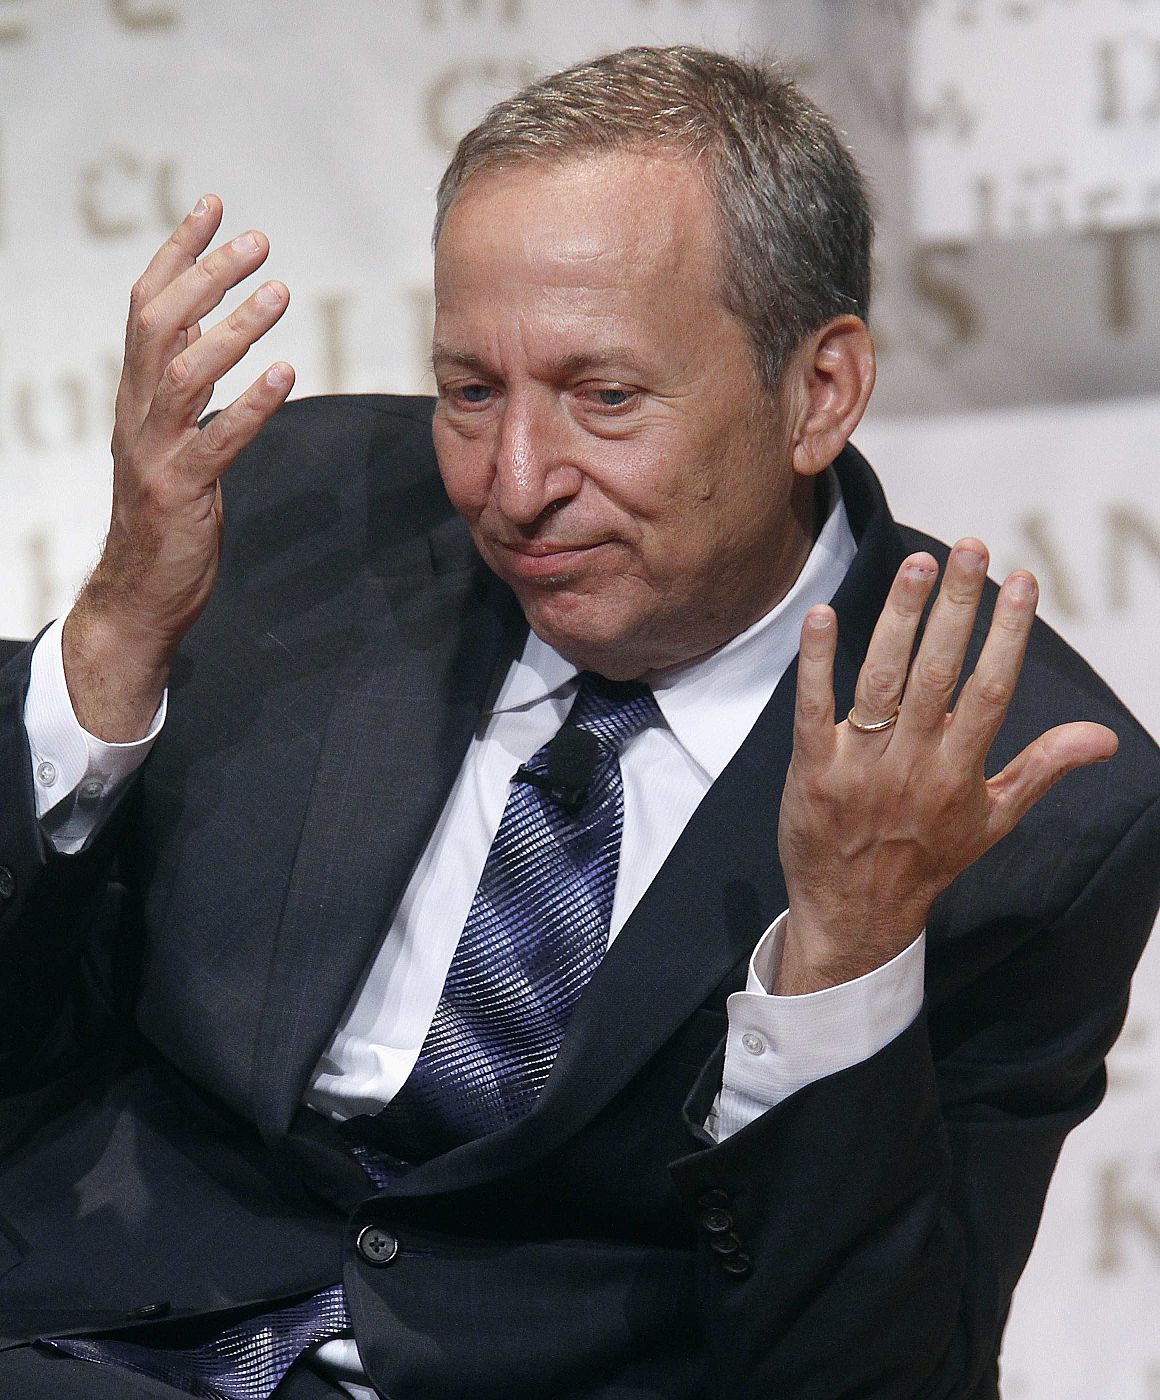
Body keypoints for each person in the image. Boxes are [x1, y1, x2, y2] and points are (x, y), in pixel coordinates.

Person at [1, 44, 1157, 1400]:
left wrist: (848, 958)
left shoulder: (1029, 801)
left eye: (606, 398)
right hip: (90, 1323)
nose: (516, 483)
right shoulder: (309, 512)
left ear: (819, 393)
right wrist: (119, 631)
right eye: (471, 391)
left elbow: (874, 1376)